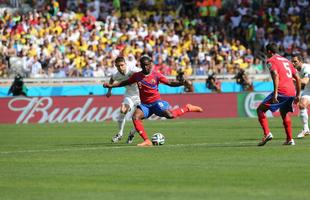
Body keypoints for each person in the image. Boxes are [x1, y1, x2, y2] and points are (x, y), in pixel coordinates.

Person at [103, 56, 203, 147]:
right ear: (141, 66)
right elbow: (124, 83)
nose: (146, 67)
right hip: (145, 105)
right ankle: (147, 141)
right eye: (144, 65)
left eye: (148, 65)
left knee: (170, 115)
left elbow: (170, 83)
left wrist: (182, 83)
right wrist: (110, 86)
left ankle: (188, 108)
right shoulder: (137, 75)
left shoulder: (156, 74)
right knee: (135, 117)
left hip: (156, 102)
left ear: (150, 65)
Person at [256, 43, 301, 146]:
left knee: (260, 110)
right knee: (284, 112)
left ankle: (267, 133)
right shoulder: (287, 61)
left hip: (282, 91)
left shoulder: (270, 60)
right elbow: (298, 78)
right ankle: (290, 139)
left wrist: (275, 93)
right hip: (291, 91)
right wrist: (298, 95)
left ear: (269, 52)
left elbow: (275, 75)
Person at [106, 57, 141, 144]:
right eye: (118, 66)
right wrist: (109, 90)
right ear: (116, 66)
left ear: (125, 64)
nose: (121, 67)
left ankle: (132, 134)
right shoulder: (117, 74)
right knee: (122, 110)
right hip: (129, 95)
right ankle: (120, 133)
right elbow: (112, 79)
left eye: (122, 65)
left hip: (141, 96)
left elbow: (144, 73)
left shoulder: (133, 70)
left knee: (139, 118)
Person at [291, 54, 310, 138]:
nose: (293, 63)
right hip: (308, 89)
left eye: (295, 61)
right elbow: (299, 84)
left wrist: (293, 79)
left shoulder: (306, 68)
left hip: (307, 85)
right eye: (292, 61)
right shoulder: (295, 70)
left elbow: (305, 81)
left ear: (301, 62)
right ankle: (306, 129)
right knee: (302, 105)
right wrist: (297, 95)